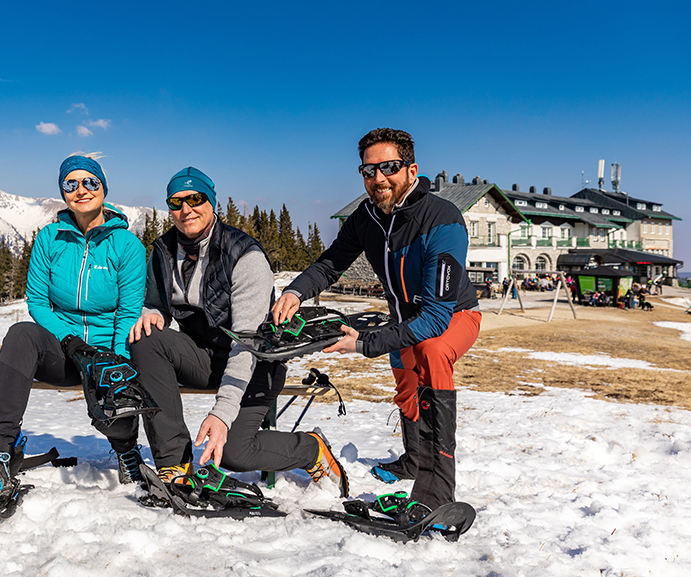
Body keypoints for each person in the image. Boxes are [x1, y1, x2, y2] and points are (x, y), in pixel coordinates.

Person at [271, 127, 481, 518]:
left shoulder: (442, 219)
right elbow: (331, 262)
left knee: (431, 354)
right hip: (403, 320)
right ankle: (413, 459)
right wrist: (295, 292)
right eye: (368, 171)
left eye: (388, 167)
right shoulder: (365, 218)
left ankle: (436, 490)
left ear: (411, 168)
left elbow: (435, 319)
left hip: (453, 317)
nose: (378, 178)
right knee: (406, 384)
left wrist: (364, 344)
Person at [0, 155, 147, 519]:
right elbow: (39, 303)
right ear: (63, 191)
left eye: (90, 182)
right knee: (21, 334)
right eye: (71, 184)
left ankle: (125, 447)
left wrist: (112, 358)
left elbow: (127, 311)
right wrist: (72, 342)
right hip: (61, 352)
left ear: (104, 188)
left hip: (108, 353)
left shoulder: (127, 246)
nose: (81, 190)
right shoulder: (50, 238)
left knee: (112, 400)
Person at [116, 167, 348, 495]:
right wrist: (152, 313)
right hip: (205, 356)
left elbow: (248, 342)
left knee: (235, 453)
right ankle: (174, 464)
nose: (186, 209)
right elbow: (155, 302)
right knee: (146, 338)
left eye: (195, 199)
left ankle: (311, 449)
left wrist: (222, 414)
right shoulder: (164, 249)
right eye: (176, 202)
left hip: (256, 362)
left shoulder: (244, 255)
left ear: (212, 201)